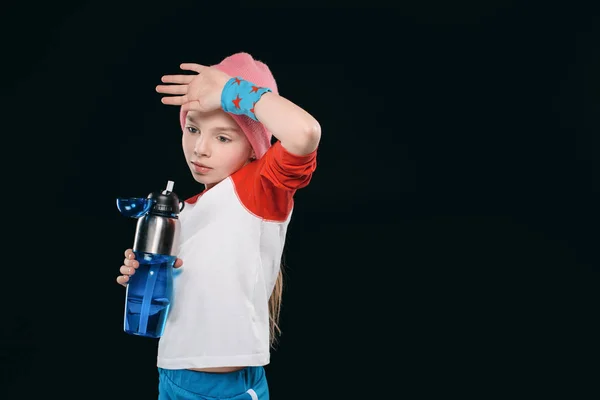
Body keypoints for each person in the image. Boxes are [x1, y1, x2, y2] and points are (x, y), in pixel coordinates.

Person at [115, 52, 321, 399]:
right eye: (193, 128)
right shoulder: (184, 211)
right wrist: (142, 275)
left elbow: (304, 133)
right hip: (172, 376)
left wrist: (231, 91)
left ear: (255, 149)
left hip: (222, 390)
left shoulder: (259, 188)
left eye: (222, 137)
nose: (200, 148)